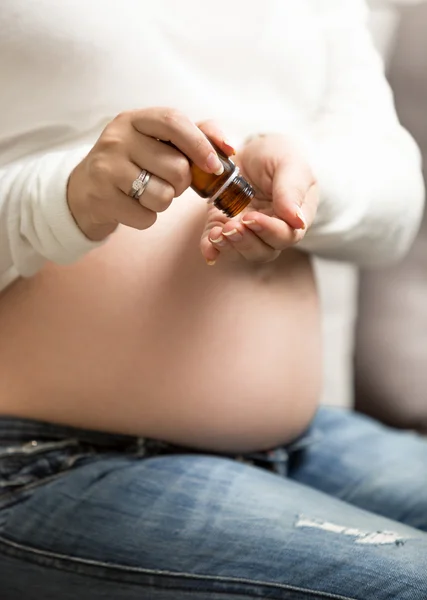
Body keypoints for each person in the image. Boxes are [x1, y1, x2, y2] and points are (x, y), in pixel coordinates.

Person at [0, 0, 426, 598]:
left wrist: (304, 183)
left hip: (301, 441)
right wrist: (67, 198)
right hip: (46, 460)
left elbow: (395, 207)